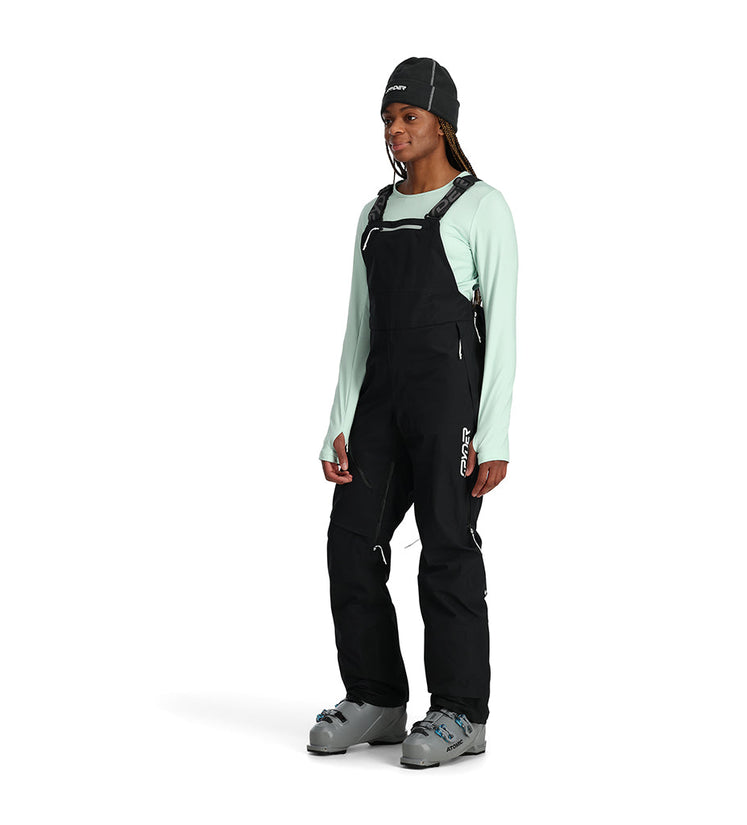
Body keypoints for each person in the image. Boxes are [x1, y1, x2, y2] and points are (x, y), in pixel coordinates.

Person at [308, 56, 518, 769]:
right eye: (388, 119)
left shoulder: (481, 207)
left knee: (446, 547)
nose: (394, 130)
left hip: (447, 404)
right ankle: (376, 698)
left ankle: (461, 711)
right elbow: (358, 328)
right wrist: (339, 420)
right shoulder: (372, 214)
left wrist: (493, 432)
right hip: (378, 404)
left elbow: (503, 327)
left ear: (443, 124)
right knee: (350, 542)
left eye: (409, 117)